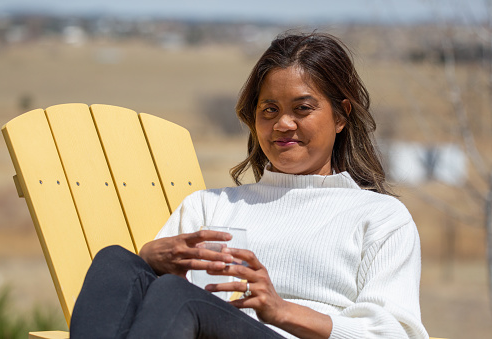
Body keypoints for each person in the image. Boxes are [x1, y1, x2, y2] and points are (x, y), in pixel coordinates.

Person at [70, 32, 429, 339]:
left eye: (302, 109)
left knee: (178, 296)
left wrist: (281, 310)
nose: (283, 124)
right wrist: (150, 259)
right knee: (116, 261)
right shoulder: (208, 207)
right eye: (269, 110)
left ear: (340, 116)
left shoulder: (380, 218)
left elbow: (395, 332)